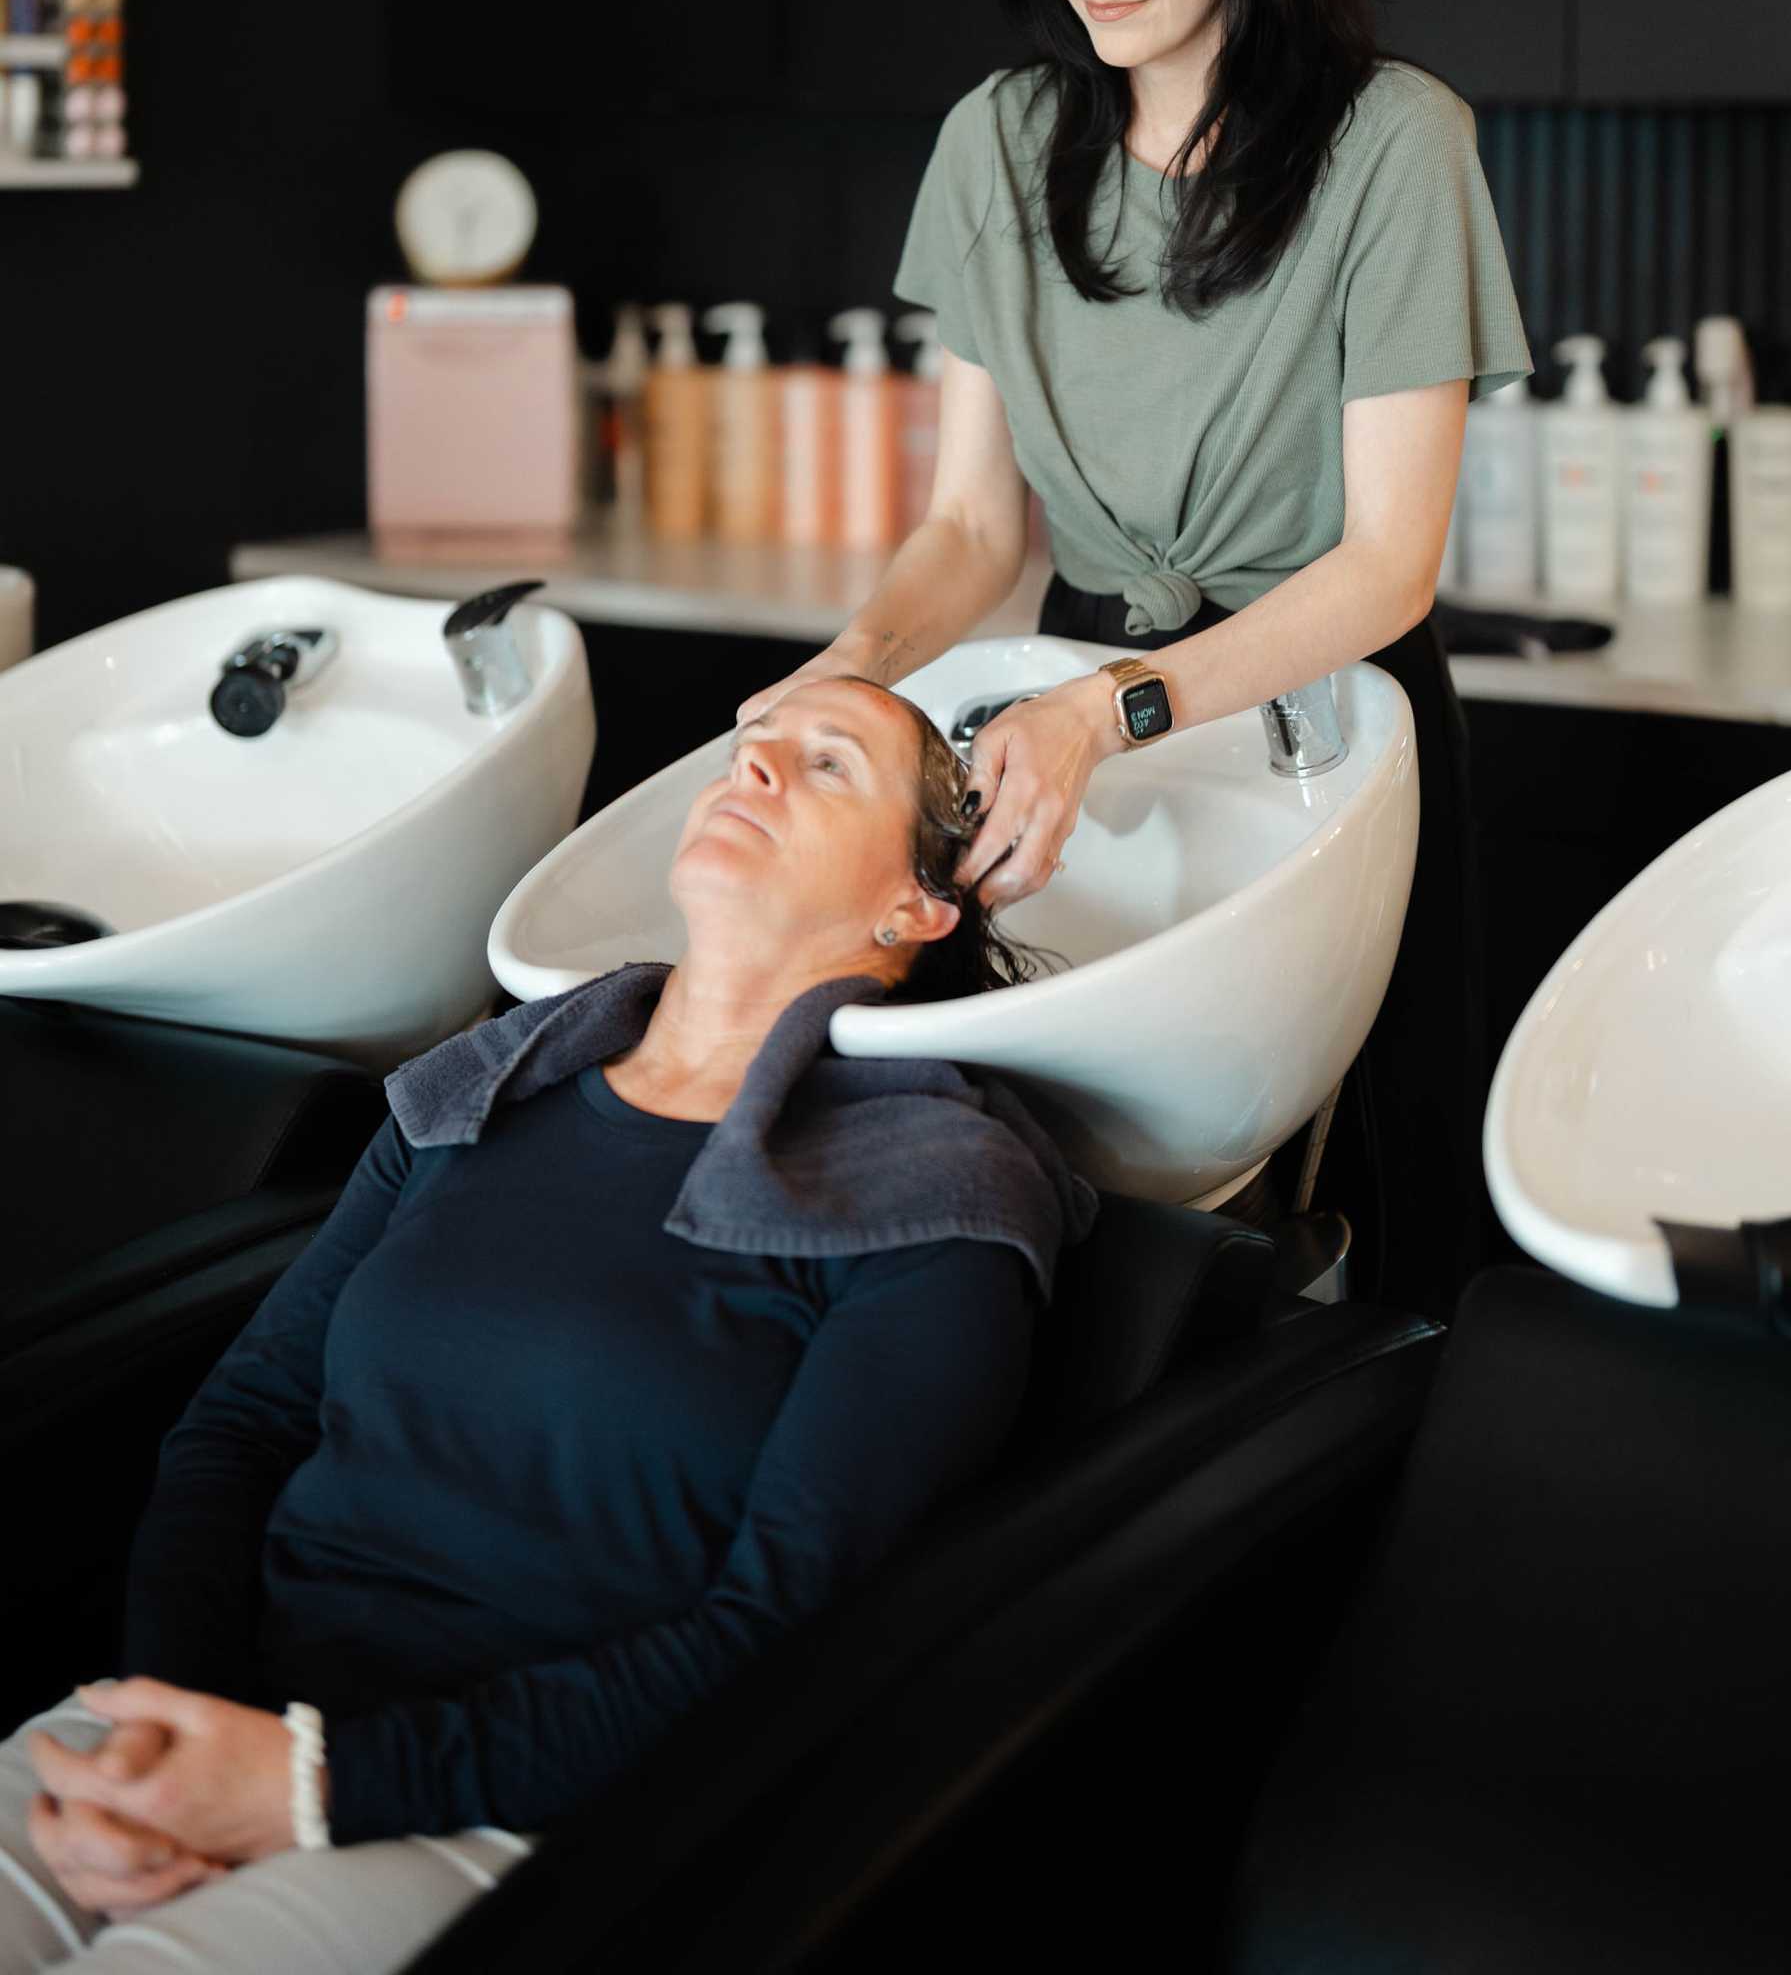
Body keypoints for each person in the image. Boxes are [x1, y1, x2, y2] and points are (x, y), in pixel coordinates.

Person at [0, 679, 1080, 1973]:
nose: (757, 773)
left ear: (916, 906)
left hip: (515, 1817)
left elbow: (781, 1631)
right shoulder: (484, 1090)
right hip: (216, 1719)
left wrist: (311, 1790)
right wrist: (170, 1742)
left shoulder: (927, 1197)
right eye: (749, 750)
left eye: (829, 764)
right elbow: (240, 1425)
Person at [743, 0, 1532, 1313]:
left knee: (1365, 1207)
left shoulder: (1395, 144)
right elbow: (973, 531)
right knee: (1089, 1186)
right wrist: (848, 669)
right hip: (1063, 718)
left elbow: (1389, 565)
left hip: (1327, 720)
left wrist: (1116, 710)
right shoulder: (998, 142)